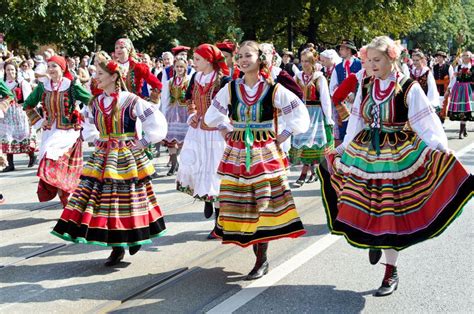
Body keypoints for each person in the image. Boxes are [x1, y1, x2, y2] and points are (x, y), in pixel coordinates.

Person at [318, 36, 473, 297]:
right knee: (359, 200)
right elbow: (356, 120)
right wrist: (342, 149)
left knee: (389, 212)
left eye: (377, 60)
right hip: (365, 152)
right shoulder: (365, 85)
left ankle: (390, 271)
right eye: (369, 61)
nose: (372, 65)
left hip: (397, 154)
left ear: (392, 59)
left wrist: (440, 148)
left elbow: (425, 121)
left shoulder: (408, 87)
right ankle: (375, 239)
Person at [205, 40, 309, 280]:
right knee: (242, 201)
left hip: (264, 150)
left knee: (263, 201)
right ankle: (255, 248)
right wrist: (224, 128)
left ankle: (261, 258)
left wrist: (282, 135)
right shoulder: (231, 88)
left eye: (248, 55)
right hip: (238, 150)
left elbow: (299, 114)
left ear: (260, 59)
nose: (242, 59)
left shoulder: (273, 89)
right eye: (239, 56)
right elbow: (212, 114)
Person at [51, 60, 167, 266]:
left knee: (130, 198)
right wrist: (95, 137)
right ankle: (117, 246)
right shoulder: (94, 102)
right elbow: (86, 124)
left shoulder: (131, 100)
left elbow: (155, 121)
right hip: (103, 156)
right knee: (105, 201)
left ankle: (133, 235)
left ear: (114, 77)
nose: (96, 78)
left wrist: (144, 141)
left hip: (126, 157)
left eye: (100, 74)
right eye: (96, 74)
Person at [23, 55, 92, 206]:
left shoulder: (71, 85)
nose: (51, 69)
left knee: (63, 169)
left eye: (55, 66)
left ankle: (68, 201)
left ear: (62, 68)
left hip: (69, 133)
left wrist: (86, 117)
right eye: (49, 66)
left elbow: (91, 101)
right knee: (50, 163)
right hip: (50, 133)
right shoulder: (43, 87)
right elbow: (27, 105)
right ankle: (66, 201)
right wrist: (40, 121)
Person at [176, 44, 230, 228]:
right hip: (198, 130)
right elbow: (189, 98)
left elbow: (229, 105)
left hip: (216, 133)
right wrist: (192, 114)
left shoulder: (223, 80)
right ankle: (206, 198)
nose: (194, 62)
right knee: (198, 165)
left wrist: (223, 123)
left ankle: (218, 221)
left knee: (215, 171)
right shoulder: (195, 77)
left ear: (208, 60)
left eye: (197, 59)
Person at [290, 48, 334, 187]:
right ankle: (312, 172)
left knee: (312, 143)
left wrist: (328, 118)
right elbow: (291, 96)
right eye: (302, 61)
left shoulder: (319, 77)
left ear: (313, 62)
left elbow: (326, 100)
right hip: (302, 113)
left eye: (307, 61)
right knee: (303, 142)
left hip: (315, 113)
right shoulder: (297, 77)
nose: (304, 64)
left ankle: (304, 174)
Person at [0, 62, 36, 172]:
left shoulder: (21, 83)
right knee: (7, 136)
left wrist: (24, 108)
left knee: (23, 135)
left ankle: (31, 155)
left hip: (20, 112)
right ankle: (10, 164)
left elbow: (28, 98)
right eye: (8, 70)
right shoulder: (3, 83)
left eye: (12, 70)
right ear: (5, 71)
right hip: (7, 113)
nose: (10, 72)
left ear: (16, 71)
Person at [161, 57, 192, 176]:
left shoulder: (189, 80)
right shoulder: (169, 82)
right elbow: (166, 99)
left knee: (184, 139)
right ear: (174, 68)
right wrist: (164, 115)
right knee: (171, 140)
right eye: (177, 66)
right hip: (173, 113)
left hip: (185, 112)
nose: (179, 69)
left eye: (182, 67)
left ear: (186, 68)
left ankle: (178, 161)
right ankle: (174, 163)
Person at [330, 40, 362, 143]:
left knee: (358, 128)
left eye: (342, 48)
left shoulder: (360, 64)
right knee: (344, 129)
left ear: (348, 50)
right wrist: (343, 96)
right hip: (343, 104)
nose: (340, 50)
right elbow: (333, 86)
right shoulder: (338, 67)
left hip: (358, 102)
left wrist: (355, 94)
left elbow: (364, 82)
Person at [114, 38, 162, 103]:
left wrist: (152, 100)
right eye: (116, 48)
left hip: (134, 104)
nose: (118, 50)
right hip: (116, 104)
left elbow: (156, 84)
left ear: (128, 49)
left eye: (122, 47)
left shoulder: (137, 66)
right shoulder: (111, 66)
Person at [447, 50, 473, 139]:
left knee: (466, 110)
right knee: (461, 110)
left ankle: (461, 131)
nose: (465, 57)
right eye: (464, 55)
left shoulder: (472, 67)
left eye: (467, 55)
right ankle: (462, 130)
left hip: (469, 90)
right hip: (459, 89)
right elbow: (453, 79)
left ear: (470, 57)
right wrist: (449, 88)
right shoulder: (458, 67)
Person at [433, 51, 454, 123]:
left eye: (440, 57)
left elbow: (452, 78)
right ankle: (437, 119)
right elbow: (432, 78)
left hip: (445, 87)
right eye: (437, 57)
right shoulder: (434, 67)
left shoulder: (449, 66)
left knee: (444, 103)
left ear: (443, 58)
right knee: (436, 103)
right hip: (436, 87)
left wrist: (449, 89)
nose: (438, 59)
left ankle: (442, 119)